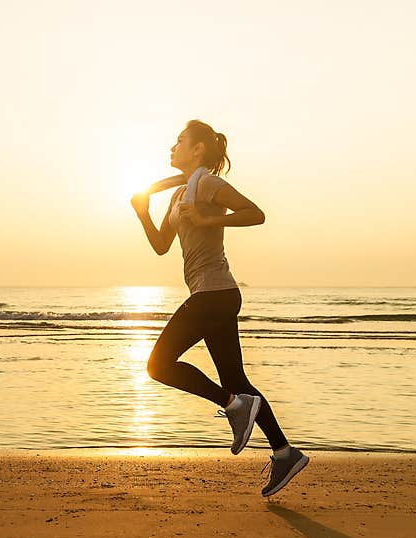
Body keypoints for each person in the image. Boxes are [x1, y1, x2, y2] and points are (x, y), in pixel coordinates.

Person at [130, 119, 309, 497]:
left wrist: (210, 217)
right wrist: (143, 211)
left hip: (214, 293)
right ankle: (284, 452)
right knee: (238, 383)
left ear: (198, 149)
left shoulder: (207, 183)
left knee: (158, 365)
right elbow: (162, 244)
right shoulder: (180, 195)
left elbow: (254, 213)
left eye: (179, 141)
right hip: (215, 294)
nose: (171, 147)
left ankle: (230, 404)